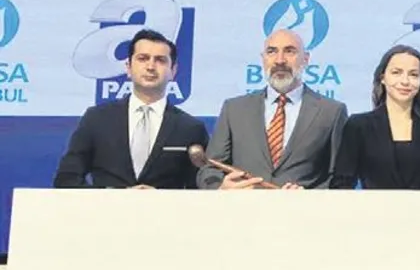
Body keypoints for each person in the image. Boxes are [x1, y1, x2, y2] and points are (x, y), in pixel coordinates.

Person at [53, 29, 208, 189]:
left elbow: (200, 191)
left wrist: (162, 198)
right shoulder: (97, 119)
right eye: (143, 58)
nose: (150, 66)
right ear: (128, 67)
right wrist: (116, 196)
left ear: (173, 71)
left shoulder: (190, 128)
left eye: (160, 60)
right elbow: (66, 180)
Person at [198, 29, 348, 190]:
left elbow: (340, 178)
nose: (280, 60)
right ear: (263, 59)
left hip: (303, 206)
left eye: (289, 51)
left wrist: (309, 197)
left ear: (305, 59)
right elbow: (210, 168)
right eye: (272, 52)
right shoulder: (234, 110)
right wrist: (221, 187)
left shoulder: (331, 112)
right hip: (243, 205)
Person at [332, 45, 420, 190]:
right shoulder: (359, 126)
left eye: (413, 74)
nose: (405, 81)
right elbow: (341, 184)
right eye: (396, 72)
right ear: (382, 78)